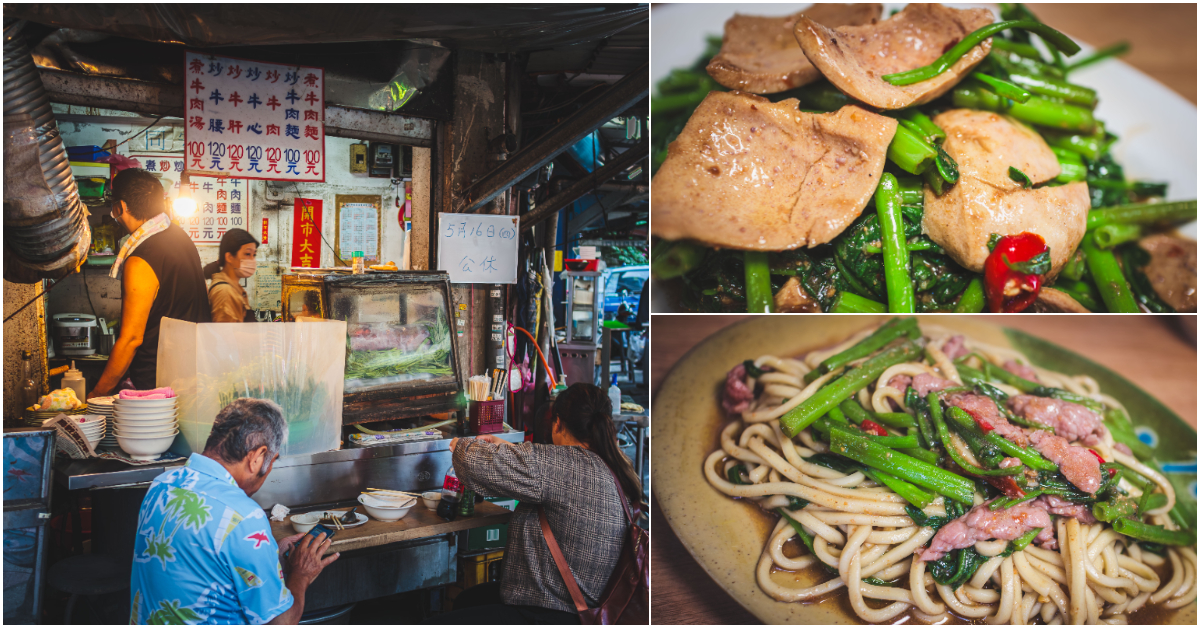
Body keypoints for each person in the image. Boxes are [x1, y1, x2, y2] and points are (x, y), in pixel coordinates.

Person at [431, 383, 642, 624]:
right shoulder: (617, 467)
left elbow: (470, 459)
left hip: (547, 612)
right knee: (469, 600)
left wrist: (459, 445)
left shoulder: (563, 465)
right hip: (591, 612)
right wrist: (511, 448)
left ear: (558, 423)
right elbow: (546, 471)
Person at [129, 398, 338, 624]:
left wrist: (269, 556)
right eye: (272, 461)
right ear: (257, 457)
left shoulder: (162, 485)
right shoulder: (244, 516)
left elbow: (199, 565)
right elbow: (280, 623)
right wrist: (301, 575)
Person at [88, 168, 210, 397]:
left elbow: (131, 339)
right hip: (191, 377)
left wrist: (97, 395)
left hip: (155, 389)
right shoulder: (181, 239)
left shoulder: (141, 257)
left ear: (120, 207)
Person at [204, 228, 260, 323]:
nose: (252, 260)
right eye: (247, 254)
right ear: (229, 257)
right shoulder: (224, 292)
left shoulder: (235, 288)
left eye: (254, 255)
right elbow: (226, 335)